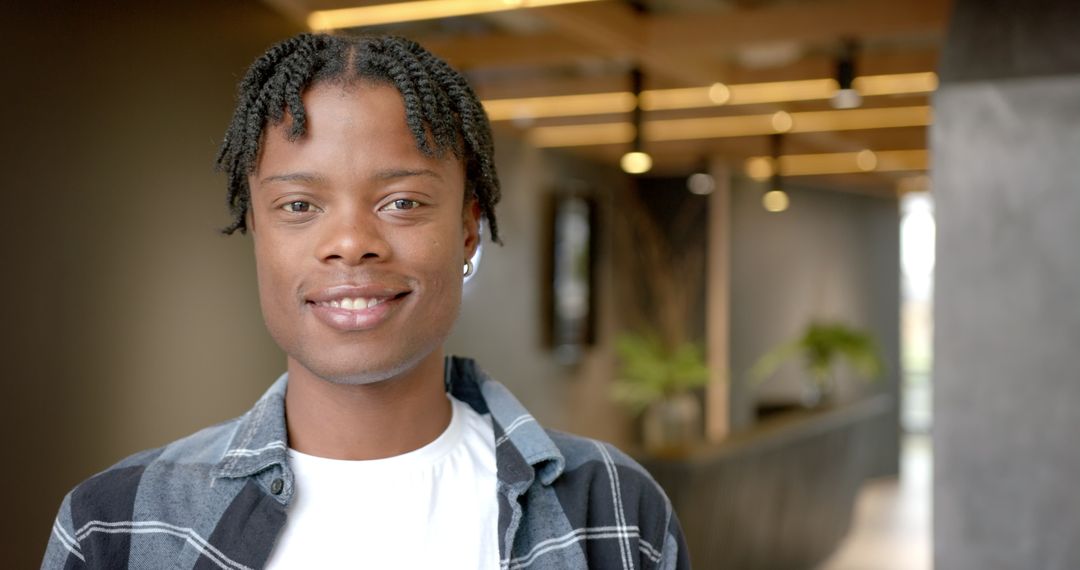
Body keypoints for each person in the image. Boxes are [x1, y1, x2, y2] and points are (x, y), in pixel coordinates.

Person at [43, 33, 689, 569]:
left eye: (401, 202)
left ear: (468, 228)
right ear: (257, 229)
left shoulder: (615, 512)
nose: (351, 244)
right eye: (300, 206)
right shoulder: (116, 527)